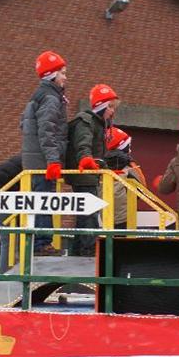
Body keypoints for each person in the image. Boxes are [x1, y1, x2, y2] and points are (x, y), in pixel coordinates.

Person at [20, 51, 68, 256]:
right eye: (62, 73)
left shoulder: (37, 95)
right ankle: (42, 244)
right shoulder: (50, 97)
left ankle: (39, 242)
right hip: (43, 162)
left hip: (34, 160)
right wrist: (53, 160)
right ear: (52, 75)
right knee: (44, 200)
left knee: (40, 199)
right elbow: (47, 130)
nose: (65, 77)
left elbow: (24, 124)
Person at [66, 83, 120, 256]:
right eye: (110, 107)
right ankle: (88, 250)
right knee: (89, 214)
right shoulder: (86, 121)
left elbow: (97, 152)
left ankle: (78, 252)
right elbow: (83, 143)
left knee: (84, 215)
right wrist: (85, 158)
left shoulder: (99, 124)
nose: (112, 111)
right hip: (84, 174)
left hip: (90, 174)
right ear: (101, 106)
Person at [104, 126, 146, 229]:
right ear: (123, 146)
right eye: (128, 145)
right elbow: (142, 188)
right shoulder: (129, 165)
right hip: (124, 216)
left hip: (105, 214)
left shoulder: (101, 165)